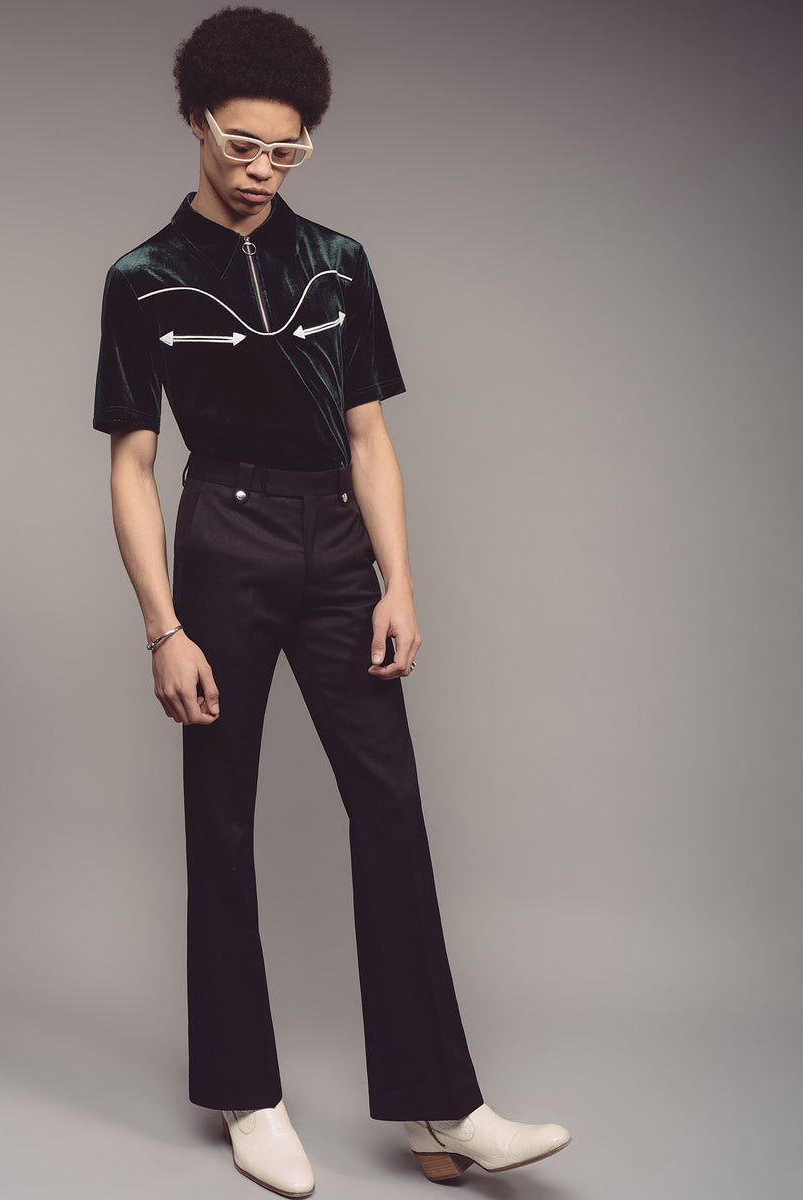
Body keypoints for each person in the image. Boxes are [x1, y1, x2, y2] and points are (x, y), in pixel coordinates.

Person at [92, 7, 571, 1196]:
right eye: (242, 145)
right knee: (221, 816)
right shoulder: (141, 279)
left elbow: (368, 436)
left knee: (389, 808)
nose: (263, 169)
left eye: (286, 150)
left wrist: (398, 580)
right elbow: (131, 466)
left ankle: (441, 1105)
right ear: (196, 124)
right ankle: (247, 1095)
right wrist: (163, 627)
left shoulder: (339, 260)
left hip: (336, 545)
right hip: (222, 542)